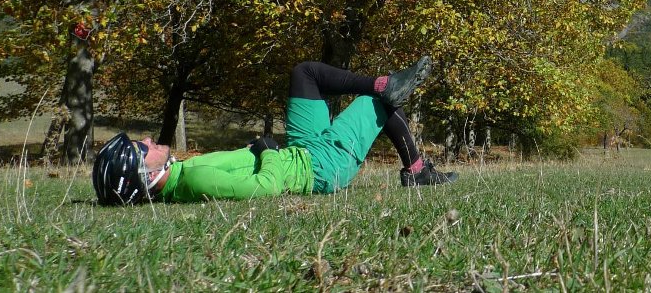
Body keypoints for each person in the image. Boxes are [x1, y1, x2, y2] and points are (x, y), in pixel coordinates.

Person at [92, 56, 456, 205]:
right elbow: (266, 187)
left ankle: (382, 84)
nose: (148, 139)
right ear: (148, 175)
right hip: (321, 166)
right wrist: (266, 149)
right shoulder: (194, 180)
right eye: (142, 148)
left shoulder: (182, 173)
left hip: (303, 149)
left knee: (305, 74)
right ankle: (417, 171)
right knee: (378, 105)